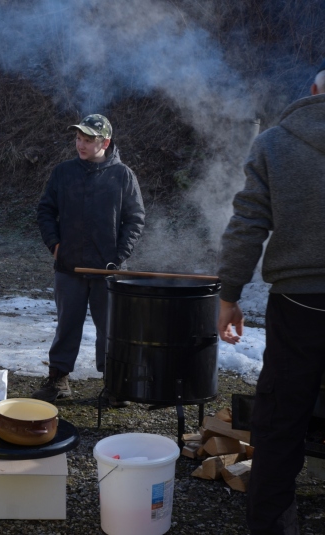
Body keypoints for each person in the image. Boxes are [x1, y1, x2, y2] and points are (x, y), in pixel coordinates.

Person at [217, 64, 325, 535]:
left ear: (313, 90)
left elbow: (246, 227)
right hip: (298, 302)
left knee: (282, 423)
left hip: (299, 306)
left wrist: (229, 295)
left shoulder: (275, 142)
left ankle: (269, 527)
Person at [33, 114, 144, 406]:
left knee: (110, 329)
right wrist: (55, 245)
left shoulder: (123, 176)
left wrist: (119, 257)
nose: (80, 144)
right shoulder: (63, 172)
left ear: (105, 142)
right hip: (68, 267)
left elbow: (135, 220)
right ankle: (58, 380)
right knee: (67, 325)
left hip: (107, 271)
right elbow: (45, 210)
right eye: (78, 138)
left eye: (88, 139)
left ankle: (114, 386)